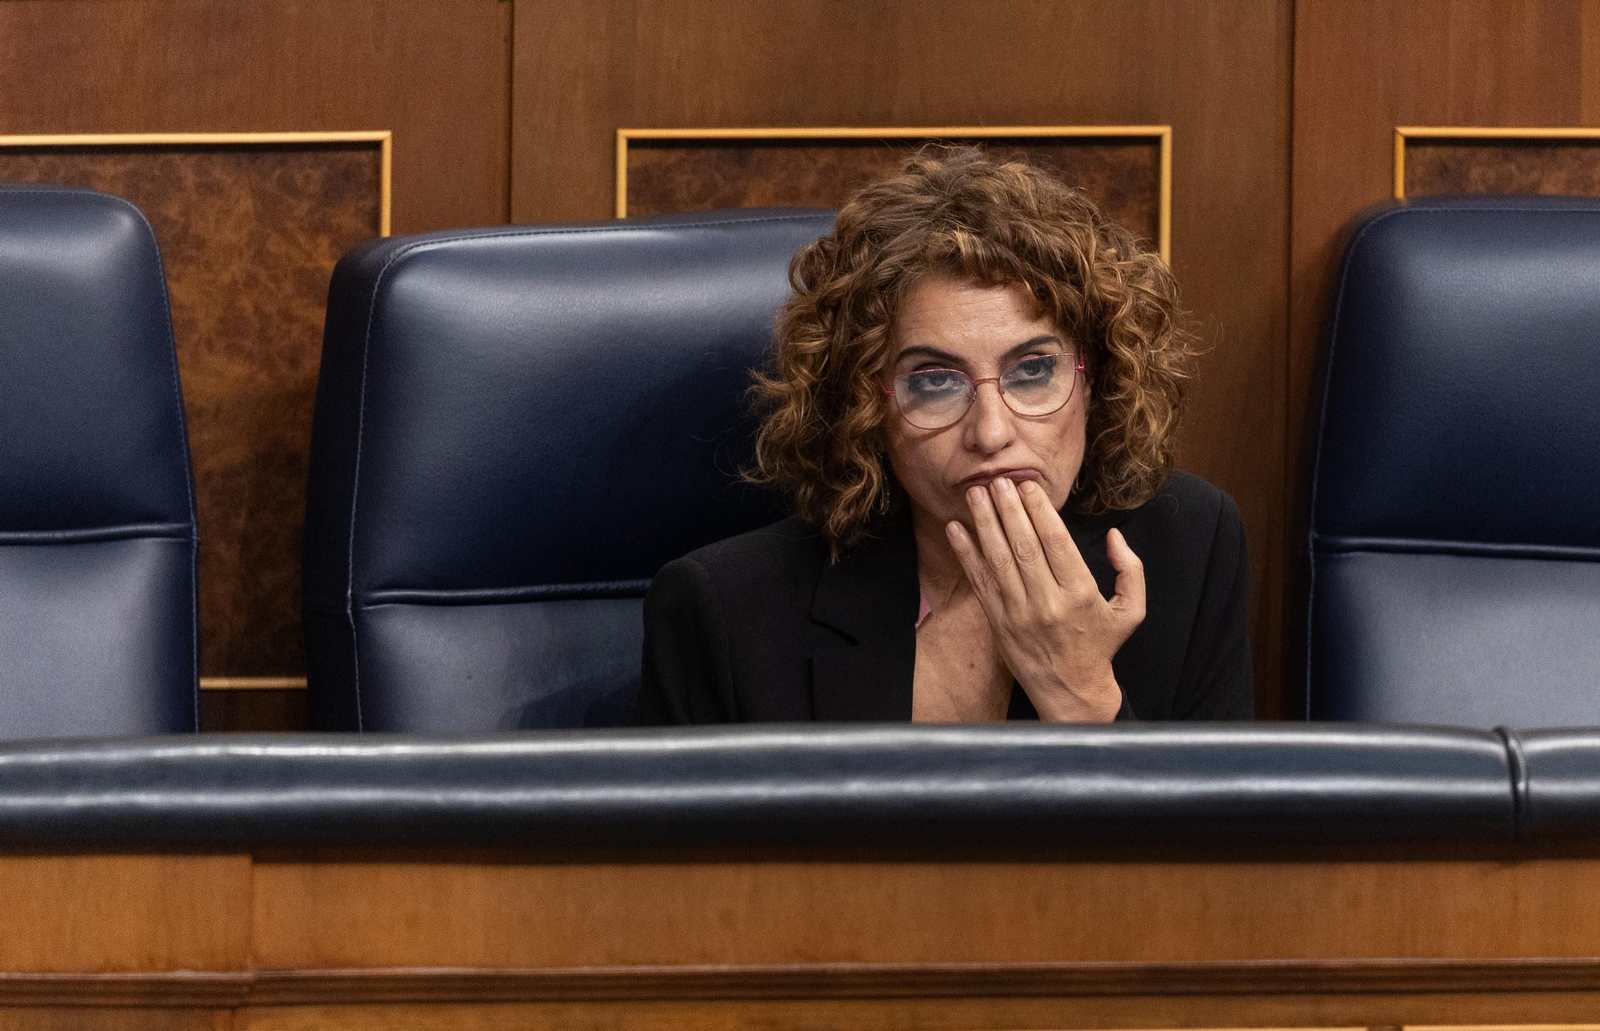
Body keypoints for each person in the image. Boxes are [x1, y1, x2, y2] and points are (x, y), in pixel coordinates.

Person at [637, 147, 1252, 724]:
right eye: (935, 383)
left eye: (1033, 372)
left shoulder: (1189, 545)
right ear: (865, 405)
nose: (990, 431)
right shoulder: (724, 612)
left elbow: (1221, 840)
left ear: (1096, 381)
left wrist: (1082, 696)